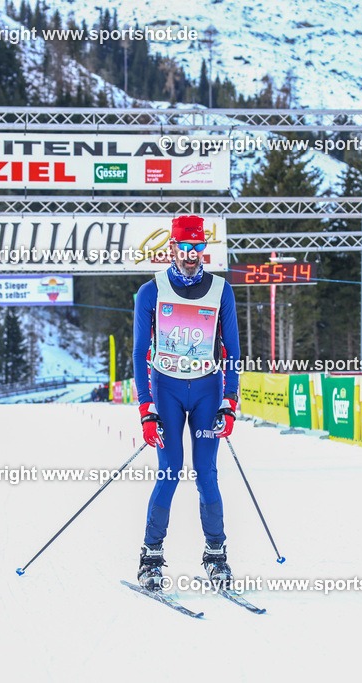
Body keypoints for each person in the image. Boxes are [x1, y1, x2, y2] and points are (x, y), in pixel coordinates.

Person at [131, 214, 240, 590]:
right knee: (169, 471)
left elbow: (232, 349)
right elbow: (139, 352)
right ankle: (151, 554)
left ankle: (216, 554)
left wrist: (230, 399)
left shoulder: (221, 290)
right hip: (168, 390)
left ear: (203, 250)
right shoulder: (151, 292)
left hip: (208, 390)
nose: (191, 255)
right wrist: (147, 409)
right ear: (172, 248)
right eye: (185, 247)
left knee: (206, 473)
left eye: (198, 248)